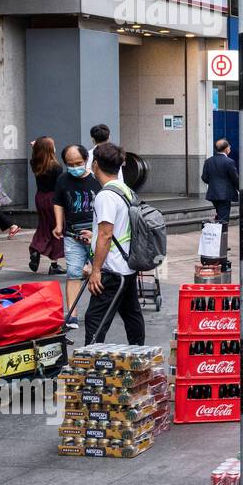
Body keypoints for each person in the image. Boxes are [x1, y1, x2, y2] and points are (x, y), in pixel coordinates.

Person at [83, 142, 145, 347]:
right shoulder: (125, 189)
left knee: (95, 319)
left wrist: (96, 270)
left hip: (112, 269)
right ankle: (139, 355)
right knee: (131, 314)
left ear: (95, 165)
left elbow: (106, 234)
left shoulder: (106, 195)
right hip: (127, 265)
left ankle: (90, 361)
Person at [53, 143, 99, 331]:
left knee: (101, 272)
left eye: (78, 163)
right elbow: (58, 202)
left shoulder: (97, 180)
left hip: (96, 235)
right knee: (73, 273)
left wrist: (97, 235)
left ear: (86, 160)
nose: (74, 167)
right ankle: (71, 314)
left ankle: (100, 312)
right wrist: (58, 224)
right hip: (72, 235)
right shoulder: (63, 179)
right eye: (70, 164)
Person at [28, 136, 65, 274]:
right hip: (53, 200)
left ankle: (36, 249)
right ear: (50, 149)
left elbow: (36, 155)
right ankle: (54, 265)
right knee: (56, 229)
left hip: (40, 198)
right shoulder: (56, 167)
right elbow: (59, 188)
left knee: (43, 226)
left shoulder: (35, 163)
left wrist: (35, 148)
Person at [201, 139, 239, 226]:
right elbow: (235, 178)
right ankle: (220, 236)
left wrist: (213, 183)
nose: (230, 148)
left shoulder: (208, 161)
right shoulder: (229, 162)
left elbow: (204, 177)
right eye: (229, 146)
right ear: (226, 149)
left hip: (213, 193)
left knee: (220, 215)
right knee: (223, 219)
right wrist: (241, 189)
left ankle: (217, 235)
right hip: (224, 194)